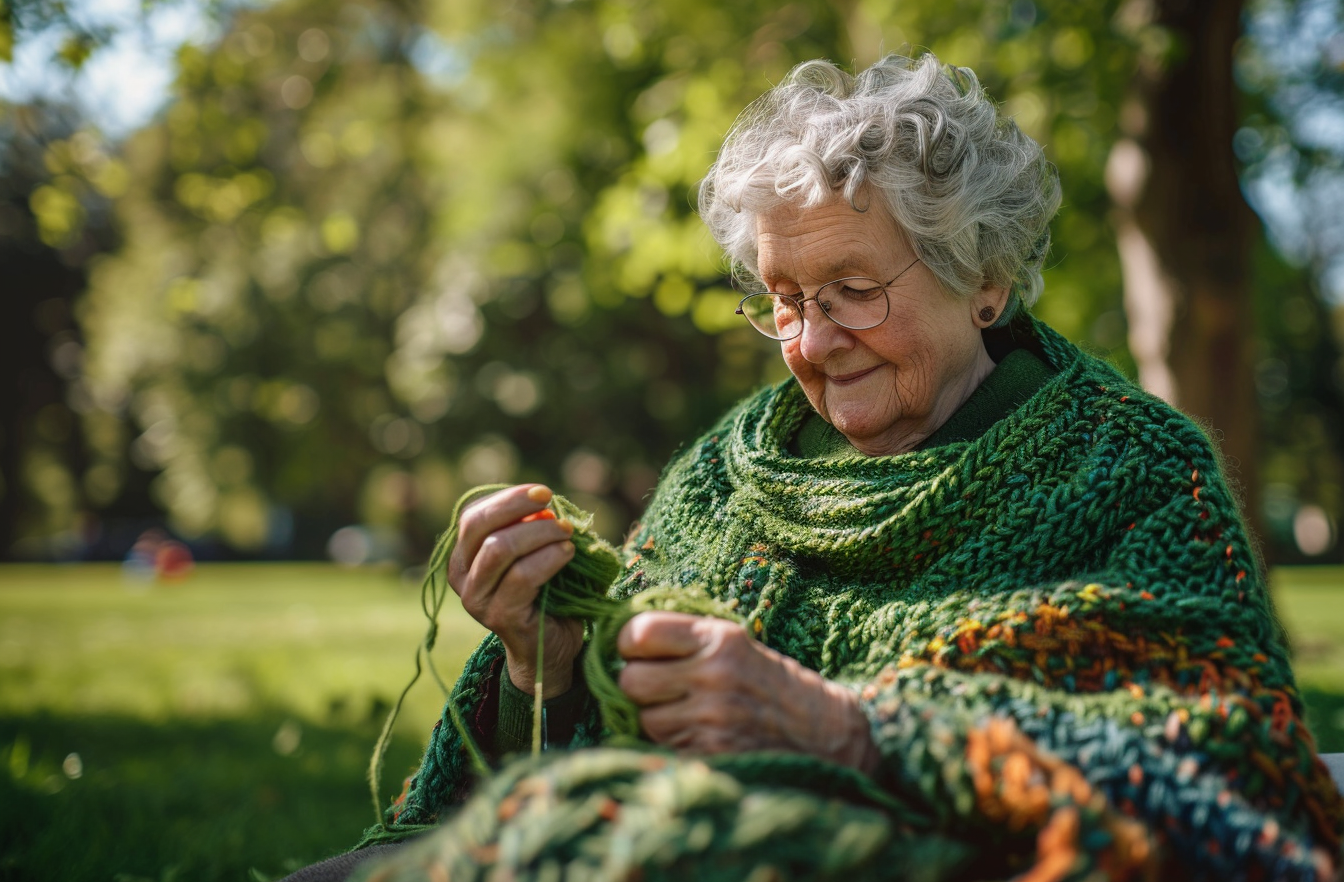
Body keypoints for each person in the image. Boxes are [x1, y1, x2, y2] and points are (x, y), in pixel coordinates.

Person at [295, 54, 1344, 882]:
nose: (811, 340)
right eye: (785, 298)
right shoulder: (721, 475)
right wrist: (549, 664)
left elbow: (1233, 767)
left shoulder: (1138, 469)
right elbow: (574, 764)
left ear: (981, 279)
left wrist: (845, 729)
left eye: (851, 287)